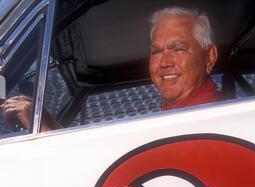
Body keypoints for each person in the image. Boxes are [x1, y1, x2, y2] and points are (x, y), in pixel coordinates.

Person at [1, 7, 222, 131]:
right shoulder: (181, 117)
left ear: (209, 57)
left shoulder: (206, 122)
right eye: (156, 51)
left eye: (178, 49)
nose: (164, 62)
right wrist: (45, 121)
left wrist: (44, 129)